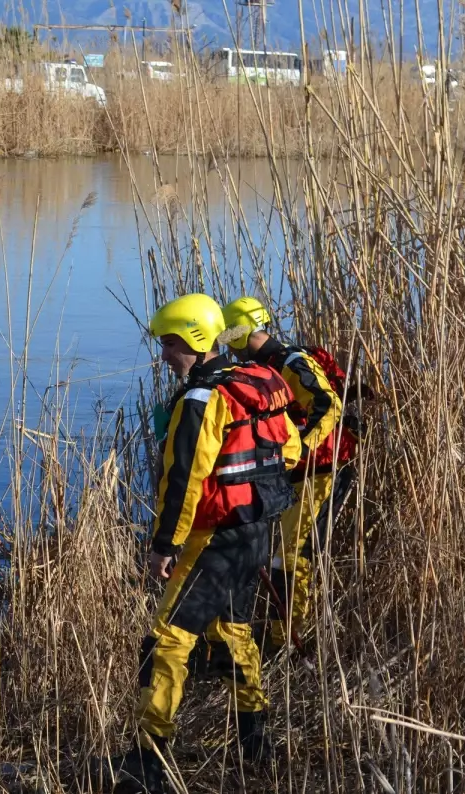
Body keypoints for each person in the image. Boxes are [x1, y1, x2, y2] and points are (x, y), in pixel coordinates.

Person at [112, 294, 302, 791]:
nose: (164, 356)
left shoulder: (202, 400)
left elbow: (184, 479)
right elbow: (294, 448)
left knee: (166, 640)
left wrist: (163, 546)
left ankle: (145, 764)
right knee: (235, 631)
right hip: (255, 532)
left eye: (170, 345)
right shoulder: (260, 383)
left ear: (195, 341)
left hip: (212, 538)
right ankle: (255, 741)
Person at [221, 296, 355, 654]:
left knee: (292, 555)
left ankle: (288, 642)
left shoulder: (291, 362)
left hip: (320, 471)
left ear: (242, 332)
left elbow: (328, 406)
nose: (230, 349)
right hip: (297, 474)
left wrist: (300, 452)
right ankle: (282, 634)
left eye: (231, 336)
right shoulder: (267, 364)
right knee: (282, 553)